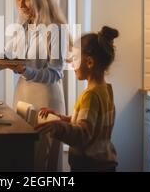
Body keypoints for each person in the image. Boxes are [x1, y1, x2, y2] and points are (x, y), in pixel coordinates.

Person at [0, 0, 68, 170]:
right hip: (23, 95)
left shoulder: (57, 30)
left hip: (47, 98)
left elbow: (55, 74)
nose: (22, 4)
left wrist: (26, 71)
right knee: (24, 155)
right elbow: (8, 58)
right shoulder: (23, 27)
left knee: (43, 158)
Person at [36, 26, 119, 172]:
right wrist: (60, 118)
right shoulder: (106, 90)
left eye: (74, 59)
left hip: (89, 166)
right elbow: (90, 124)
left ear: (89, 62)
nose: (71, 64)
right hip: (105, 164)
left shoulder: (90, 96)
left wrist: (57, 127)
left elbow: (83, 135)